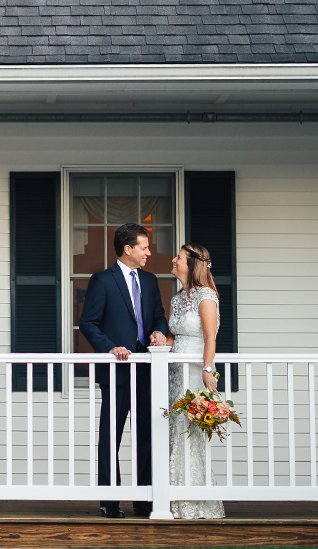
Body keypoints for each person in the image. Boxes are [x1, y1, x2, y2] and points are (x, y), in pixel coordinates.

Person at [78, 222, 169, 519]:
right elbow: (89, 323)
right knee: (111, 436)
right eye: (144, 247)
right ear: (128, 249)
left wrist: (158, 333)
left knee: (146, 435)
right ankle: (110, 501)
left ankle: (144, 501)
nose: (149, 252)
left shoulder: (151, 280)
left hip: (147, 370)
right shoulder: (103, 280)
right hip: (117, 371)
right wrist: (110, 347)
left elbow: (159, 318)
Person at [167, 242, 225, 519]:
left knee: (190, 431)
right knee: (174, 429)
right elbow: (174, 336)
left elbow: (210, 336)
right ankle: (174, 497)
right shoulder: (177, 298)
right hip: (174, 371)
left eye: (178, 257)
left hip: (194, 371)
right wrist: (160, 339)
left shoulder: (206, 295)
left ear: (192, 264)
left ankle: (197, 499)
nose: (174, 260)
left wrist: (207, 368)